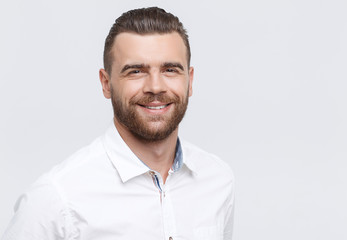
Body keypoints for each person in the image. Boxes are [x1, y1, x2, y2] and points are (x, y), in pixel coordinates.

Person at [2, 7, 234, 240]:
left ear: (190, 81)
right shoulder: (56, 200)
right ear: (106, 83)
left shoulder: (217, 180)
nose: (155, 86)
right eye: (135, 71)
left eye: (170, 70)